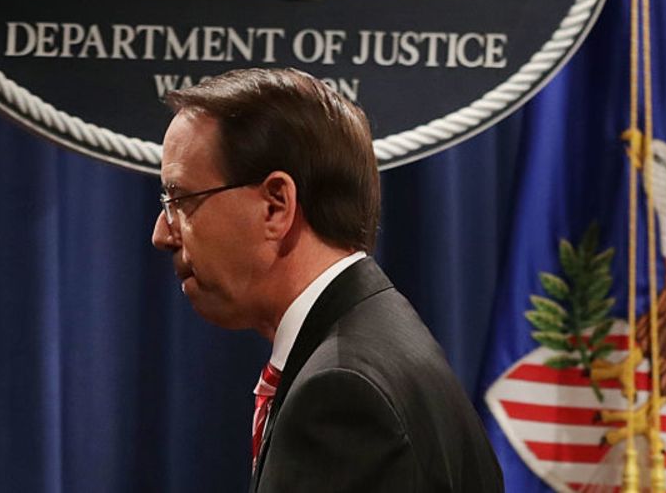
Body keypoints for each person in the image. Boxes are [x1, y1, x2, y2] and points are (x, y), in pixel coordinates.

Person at [152, 68, 502, 492]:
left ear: (276, 206)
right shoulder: (383, 341)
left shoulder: (343, 394)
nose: (162, 233)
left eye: (180, 201)